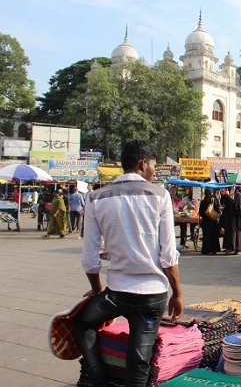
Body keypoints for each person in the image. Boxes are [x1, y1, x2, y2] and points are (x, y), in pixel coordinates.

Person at [74, 139, 183, 387]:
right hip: (152, 295)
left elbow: (90, 259)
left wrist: (96, 289)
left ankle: (99, 379)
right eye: (154, 165)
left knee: (83, 322)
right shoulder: (160, 195)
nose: (154, 171)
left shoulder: (95, 198)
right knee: (139, 361)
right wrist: (177, 294)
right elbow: (168, 255)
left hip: (117, 293)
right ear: (143, 164)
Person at [198, 188, 221, 255]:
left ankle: (206, 250)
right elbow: (217, 210)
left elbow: (200, 212)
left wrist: (205, 215)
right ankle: (213, 250)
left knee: (206, 236)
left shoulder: (203, 202)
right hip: (213, 221)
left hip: (205, 222)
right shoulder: (214, 200)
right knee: (213, 236)